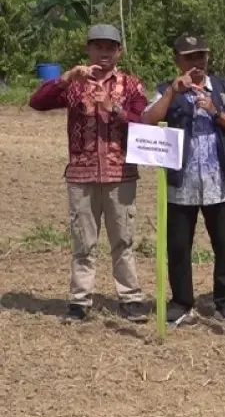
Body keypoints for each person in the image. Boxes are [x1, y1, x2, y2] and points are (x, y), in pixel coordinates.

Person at [28, 24, 149, 323]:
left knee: (123, 240)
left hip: (121, 174)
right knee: (83, 242)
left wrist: (114, 109)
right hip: (81, 175)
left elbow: (144, 123)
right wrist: (66, 77)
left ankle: (131, 298)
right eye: (98, 47)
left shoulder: (131, 85)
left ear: (119, 51)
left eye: (110, 47)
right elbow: (37, 102)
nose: (104, 53)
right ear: (88, 49)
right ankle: (80, 300)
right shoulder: (75, 84)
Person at [141, 34, 225, 327]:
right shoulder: (166, 90)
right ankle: (181, 303)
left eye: (201, 56)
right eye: (189, 57)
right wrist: (171, 94)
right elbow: (147, 121)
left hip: (218, 183)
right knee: (178, 247)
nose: (196, 63)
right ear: (177, 60)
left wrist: (216, 112)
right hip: (180, 184)